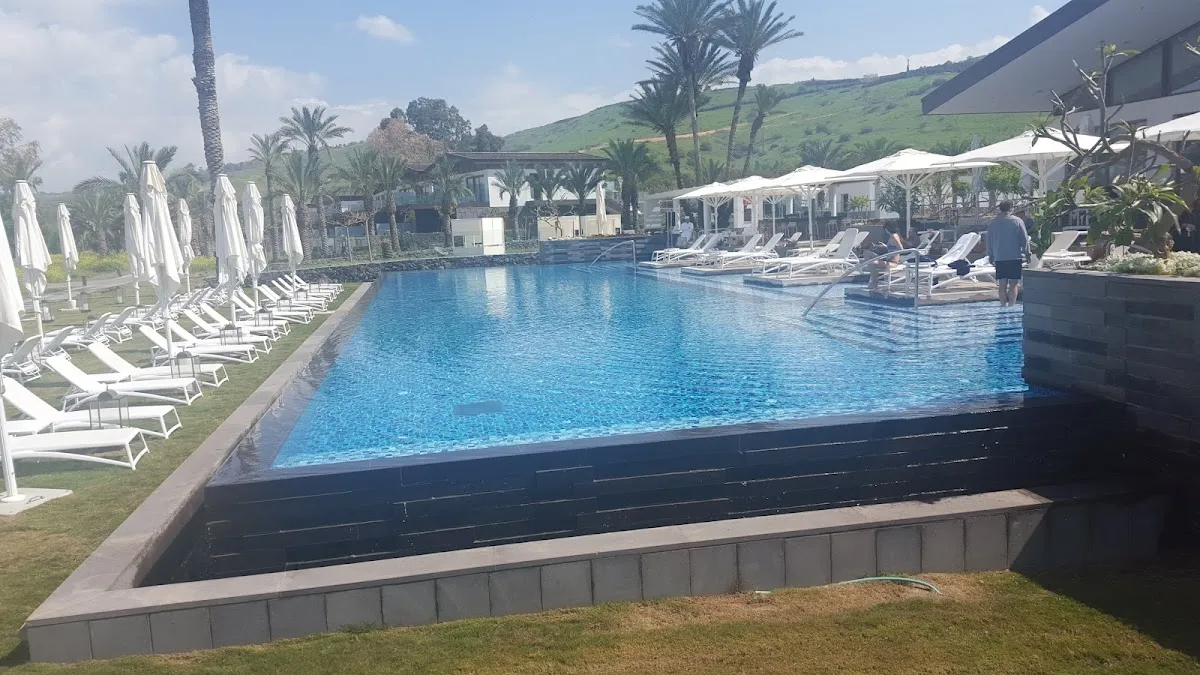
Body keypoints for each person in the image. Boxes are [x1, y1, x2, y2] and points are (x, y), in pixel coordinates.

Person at [986, 201, 1031, 308]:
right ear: (1011, 208)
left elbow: (989, 240)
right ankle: (1011, 306)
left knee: (1002, 284)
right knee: (1013, 284)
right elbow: (1024, 239)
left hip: (999, 257)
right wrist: (1027, 254)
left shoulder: (993, 223)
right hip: (1014, 257)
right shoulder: (1017, 221)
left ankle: (1002, 306)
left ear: (1000, 208)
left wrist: (990, 255)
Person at [867, 223, 905, 291]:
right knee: (867, 254)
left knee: (871, 263)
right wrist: (884, 246)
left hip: (892, 262)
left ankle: (874, 281)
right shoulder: (893, 236)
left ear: (887, 229)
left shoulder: (894, 236)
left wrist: (890, 255)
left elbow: (901, 249)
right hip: (888, 260)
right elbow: (893, 247)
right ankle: (874, 280)